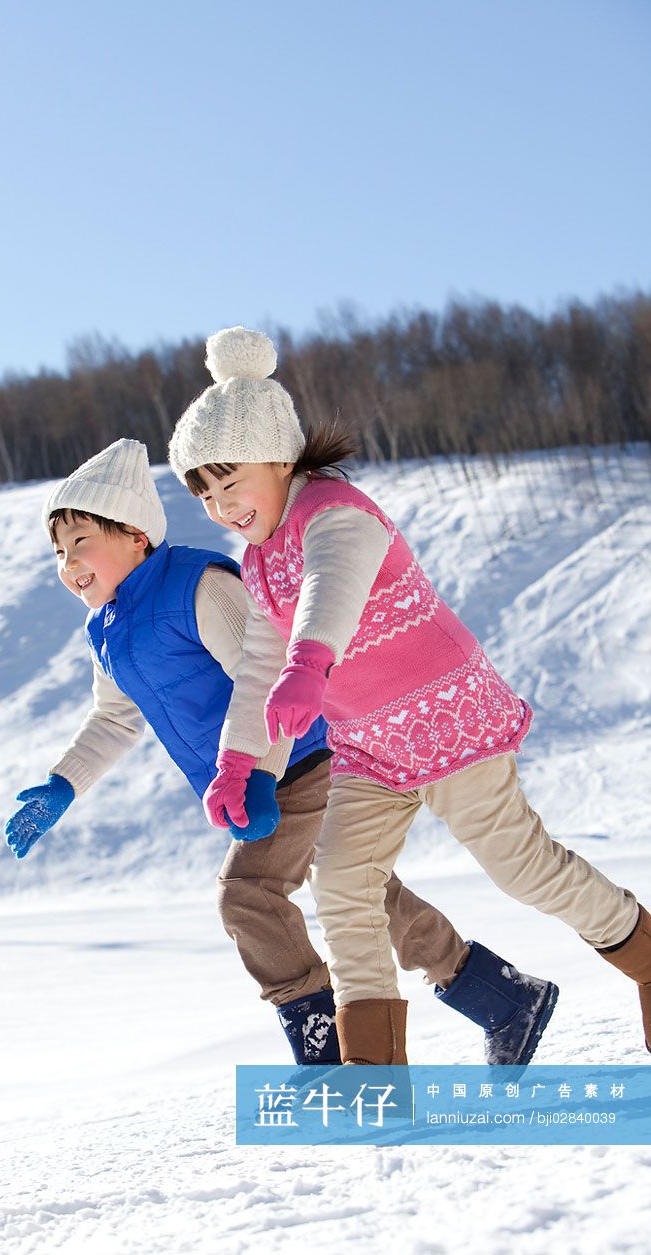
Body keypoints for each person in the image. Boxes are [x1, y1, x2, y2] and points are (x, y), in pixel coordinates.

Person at [167, 325, 651, 1066]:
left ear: (281, 456)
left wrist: (310, 664)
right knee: (343, 886)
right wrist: (244, 764)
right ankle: (376, 1071)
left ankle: (647, 956)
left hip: (446, 720)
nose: (219, 504)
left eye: (229, 481)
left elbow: (332, 590)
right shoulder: (260, 563)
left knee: (521, 865)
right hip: (370, 748)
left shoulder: (337, 513)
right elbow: (259, 670)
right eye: (202, 490)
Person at [3, 437, 560, 1067]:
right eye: (58, 551)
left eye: (81, 542)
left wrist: (259, 771)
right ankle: (502, 997)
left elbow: (263, 671)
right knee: (365, 893)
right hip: (261, 776)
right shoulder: (107, 629)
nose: (68, 562)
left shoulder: (198, 585)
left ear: (135, 536)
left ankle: (321, 1048)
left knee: (248, 895)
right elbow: (115, 717)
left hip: (301, 757)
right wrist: (62, 785)